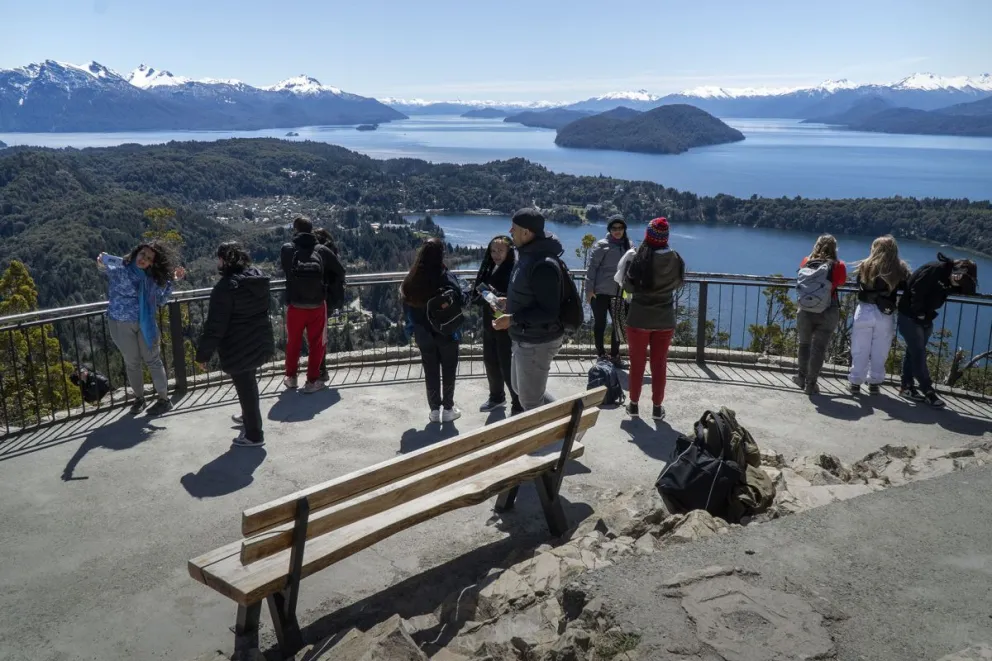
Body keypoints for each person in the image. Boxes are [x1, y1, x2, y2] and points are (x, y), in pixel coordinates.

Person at [195, 242, 275, 448]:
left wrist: (203, 354)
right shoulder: (258, 279)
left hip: (237, 344)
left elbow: (215, 326)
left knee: (245, 386)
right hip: (258, 339)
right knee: (249, 382)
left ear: (223, 260)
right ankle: (249, 418)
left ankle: (254, 434)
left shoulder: (225, 288)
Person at [96, 241, 185, 415]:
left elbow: (160, 300)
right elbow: (103, 267)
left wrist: (171, 281)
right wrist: (100, 261)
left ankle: (164, 399)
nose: (144, 259)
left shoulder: (152, 279)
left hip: (145, 324)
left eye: (149, 258)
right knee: (132, 362)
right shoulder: (120, 267)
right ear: (136, 252)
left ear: (152, 263)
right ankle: (139, 398)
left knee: (153, 361)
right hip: (120, 324)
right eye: (143, 254)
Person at [494, 208, 566, 411]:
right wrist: (509, 302)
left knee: (530, 402)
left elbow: (549, 311)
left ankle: (557, 441)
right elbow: (531, 295)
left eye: (514, 228)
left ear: (526, 232)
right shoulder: (527, 254)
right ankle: (571, 418)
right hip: (524, 337)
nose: (510, 231)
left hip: (538, 341)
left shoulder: (543, 264)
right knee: (520, 390)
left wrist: (513, 318)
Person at [614, 217, 685, 419]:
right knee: (659, 364)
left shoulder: (638, 257)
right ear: (666, 237)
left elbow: (626, 286)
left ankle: (634, 405)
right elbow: (679, 283)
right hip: (664, 319)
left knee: (637, 363)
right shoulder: (676, 258)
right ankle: (656, 407)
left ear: (648, 236)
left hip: (638, 319)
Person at [897, 252, 978, 407]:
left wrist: (965, 282)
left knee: (913, 352)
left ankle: (906, 387)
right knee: (919, 354)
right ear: (955, 270)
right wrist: (919, 313)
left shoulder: (953, 278)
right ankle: (928, 392)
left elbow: (969, 292)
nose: (958, 280)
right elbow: (916, 290)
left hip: (926, 318)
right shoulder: (935, 270)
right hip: (909, 316)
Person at [401, 238, 465, 423]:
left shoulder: (412, 280)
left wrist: (411, 329)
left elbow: (407, 308)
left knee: (431, 370)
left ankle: (434, 410)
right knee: (449, 369)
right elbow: (459, 298)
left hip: (423, 333)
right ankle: (448, 409)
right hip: (446, 332)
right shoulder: (445, 276)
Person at [280, 216, 344, 393]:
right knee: (317, 343)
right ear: (311, 229)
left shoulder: (287, 249)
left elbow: (286, 271)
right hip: (317, 304)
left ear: (295, 230)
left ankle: (291, 378)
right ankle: (312, 381)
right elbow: (340, 270)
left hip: (295, 305)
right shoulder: (322, 250)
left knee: (293, 342)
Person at [848, 236, 911, 396]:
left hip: (865, 309)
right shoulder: (899, 268)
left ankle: (855, 382)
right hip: (885, 313)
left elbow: (858, 284)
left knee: (860, 348)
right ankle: (874, 383)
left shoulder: (866, 265)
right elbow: (907, 286)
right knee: (880, 349)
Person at [472, 235, 522, 415]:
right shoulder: (489, 267)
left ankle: (517, 403)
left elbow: (516, 297)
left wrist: (496, 294)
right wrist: (485, 294)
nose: (496, 254)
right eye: (493, 250)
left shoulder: (515, 270)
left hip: (505, 324)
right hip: (489, 323)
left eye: (500, 250)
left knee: (507, 364)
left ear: (509, 251)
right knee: (490, 361)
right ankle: (496, 397)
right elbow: (477, 292)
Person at [793, 234, 847, 396]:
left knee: (804, 344)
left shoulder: (805, 262)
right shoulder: (838, 266)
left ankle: (801, 378)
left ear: (815, 246)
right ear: (834, 248)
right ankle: (811, 384)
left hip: (805, 310)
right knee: (819, 348)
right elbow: (841, 282)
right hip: (828, 310)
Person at [585, 215, 631, 368]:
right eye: (614, 228)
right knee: (600, 323)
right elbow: (592, 269)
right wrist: (589, 290)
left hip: (618, 292)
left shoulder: (627, 245)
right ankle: (601, 355)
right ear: (609, 230)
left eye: (620, 228)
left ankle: (615, 356)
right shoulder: (602, 245)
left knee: (618, 325)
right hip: (599, 292)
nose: (617, 231)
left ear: (624, 229)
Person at [313, 227, 346, 384]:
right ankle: (320, 369)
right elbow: (340, 271)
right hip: (329, 299)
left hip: (319, 298)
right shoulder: (331, 250)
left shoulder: (318, 251)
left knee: (317, 335)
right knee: (321, 335)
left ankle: (321, 369)